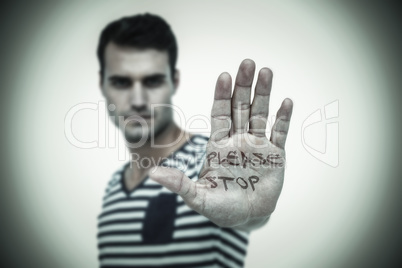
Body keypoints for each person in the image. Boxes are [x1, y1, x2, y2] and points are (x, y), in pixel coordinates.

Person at [97, 13, 293, 268]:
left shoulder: (217, 162)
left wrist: (252, 215)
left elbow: (244, 215)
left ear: (174, 82)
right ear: (102, 84)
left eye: (153, 80)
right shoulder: (114, 186)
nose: (137, 99)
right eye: (121, 82)